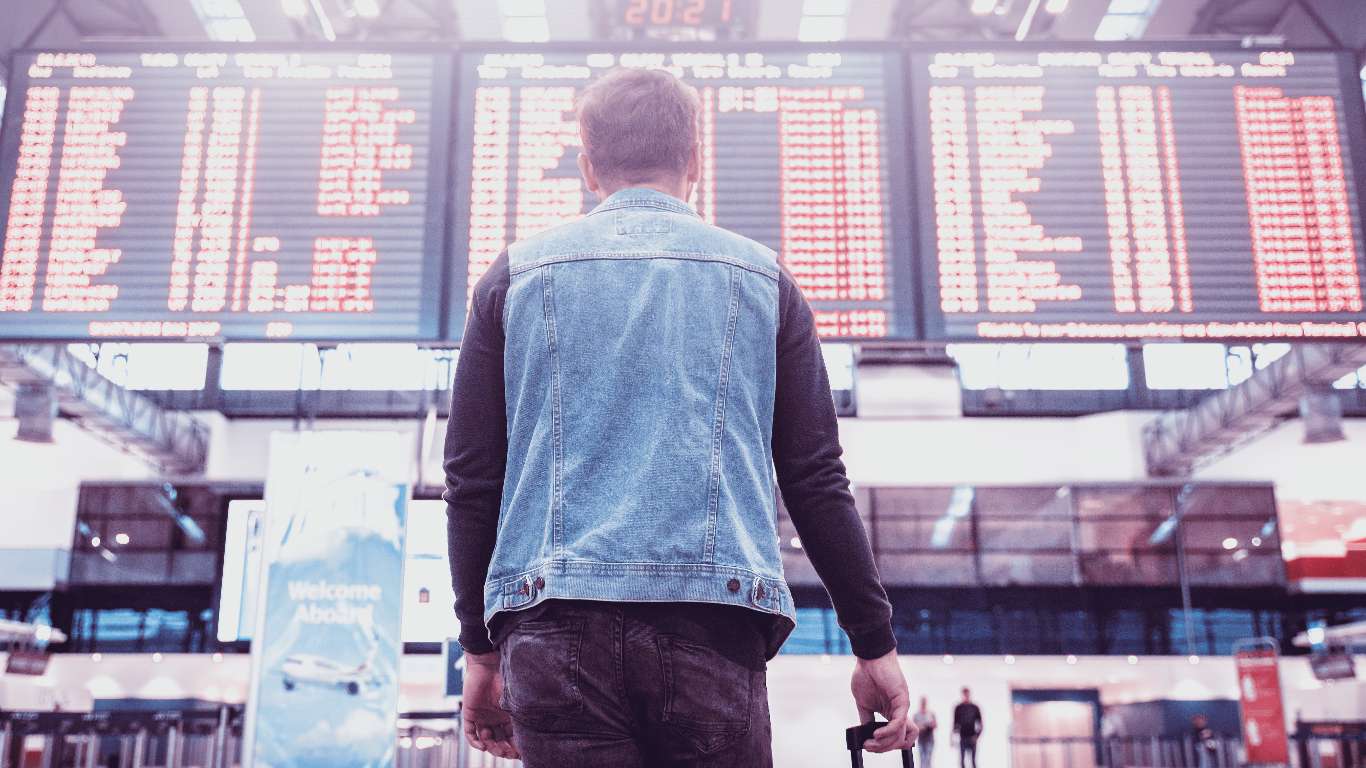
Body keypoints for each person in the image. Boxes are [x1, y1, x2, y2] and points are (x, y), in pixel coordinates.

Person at [444, 66, 914, 767]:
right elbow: (815, 478)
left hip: (552, 627)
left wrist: (479, 651)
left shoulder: (513, 279)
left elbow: (471, 480)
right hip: (713, 624)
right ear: (696, 160)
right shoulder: (767, 282)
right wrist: (873, 643)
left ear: (588, 166)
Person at [953, 687, 982, 768]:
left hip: (972, 736)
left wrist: (977, 736)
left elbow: (980, 723)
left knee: (973, 760)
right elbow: (955, 723)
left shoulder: (974, 707)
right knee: (962, 760)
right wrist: (953, 737)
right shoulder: (958, 708)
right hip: (962, 736)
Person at [913, 697, 938, 768]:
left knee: (928, 760)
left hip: (930, 739)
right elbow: (913, 726)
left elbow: (936, 725)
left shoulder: (931, 714)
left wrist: (929, 724)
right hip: (921, 739)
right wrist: (921, 726)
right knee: (921, 760)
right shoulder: (917, 715)